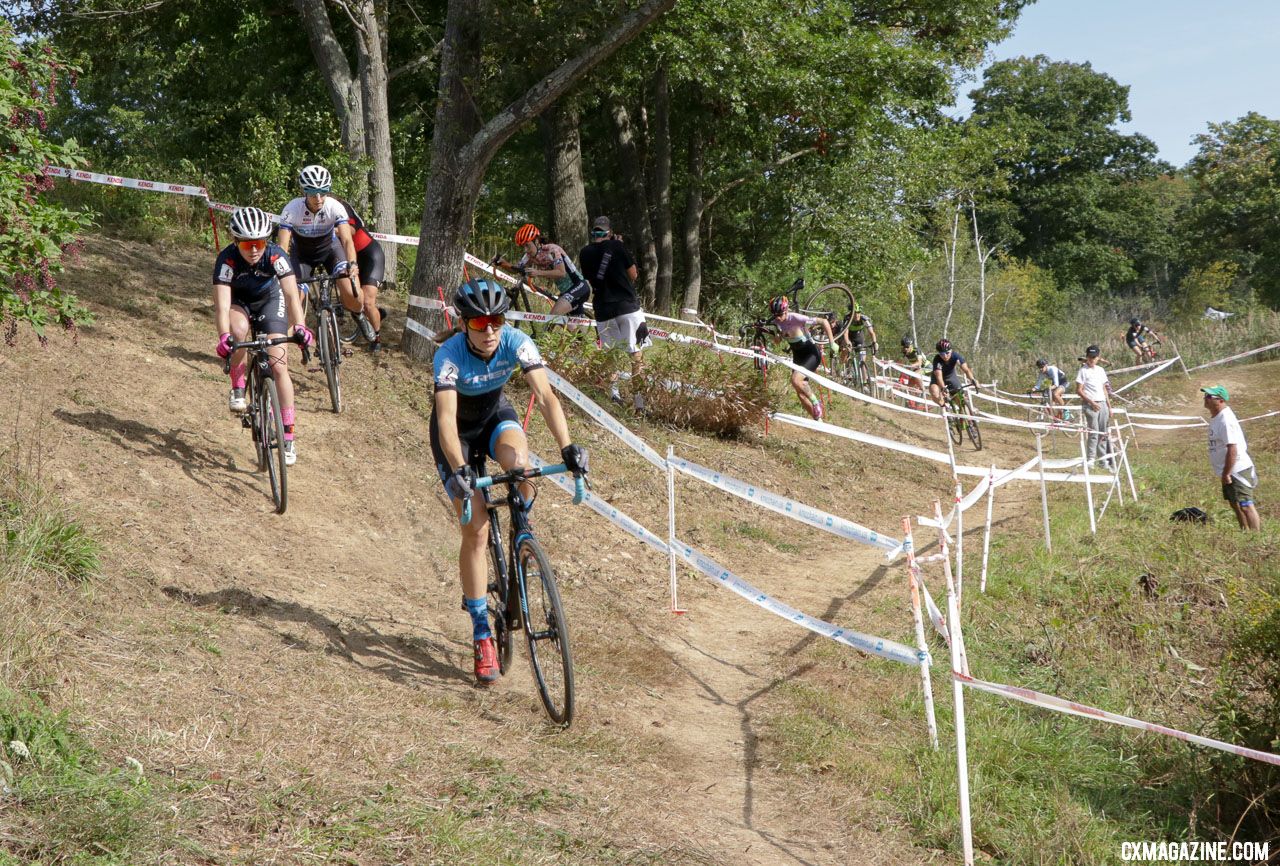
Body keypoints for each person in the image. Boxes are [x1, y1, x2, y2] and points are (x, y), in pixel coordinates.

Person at [430, 278, 589, 683]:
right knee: (477, 530)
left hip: (495, 416)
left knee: (522, 467)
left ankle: (523, 532)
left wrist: (567, 447)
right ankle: (482, 632)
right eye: (480, 322)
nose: (489, 331)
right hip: (457, 437)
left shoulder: (516, 341)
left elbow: (548, 397)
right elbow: (446, 420)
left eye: (496, 320)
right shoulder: (448, 356)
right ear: (465, 322)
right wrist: (460, 467)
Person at [212, 206, 312, 465]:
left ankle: (288, 435)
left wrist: (300, 326)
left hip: (270, 300)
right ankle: (238, 386)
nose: (254, 249)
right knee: (238, 332)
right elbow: (222, 306)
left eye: (258, 243)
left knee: (279, 364)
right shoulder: (227, 260)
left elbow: (291, 296)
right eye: (247, 244)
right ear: (236, 242)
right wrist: (224, 336)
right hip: (239, 303)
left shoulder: (276, 256)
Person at [276, 165, 377, 345]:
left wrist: (352, 263)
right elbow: (283, 246)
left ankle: (358, 315)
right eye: (313, 193)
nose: (319, 198)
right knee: (294, 299)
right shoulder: (292, 209)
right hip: (303, 256)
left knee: (353, 292)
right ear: (304, 192)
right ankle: (300, 337)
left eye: (323, 192)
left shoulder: (335, 207)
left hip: (330, 250)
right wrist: (280, 271)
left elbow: (346, 240)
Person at [579, 215, 649, 410]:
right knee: (636, 356)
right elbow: (633, 275)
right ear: (609, 232)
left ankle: (614, 395)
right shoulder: (617, 247)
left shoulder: (584, 252)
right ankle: (640, 404)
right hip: (627, 307)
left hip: (602, 308)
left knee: (611, 354)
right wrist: (617, 245)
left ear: (593, 232)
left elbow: (590, 277)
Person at [331, 193, 389, 352]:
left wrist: (331, 229)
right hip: (349, 257)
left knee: (368, 302)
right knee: (352, 298)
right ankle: (372, 315)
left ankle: (376, 337)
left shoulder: (343, 208)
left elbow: (351, 230)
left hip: (370, 256)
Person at [499, 223, 591, 323]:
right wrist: (502, 263)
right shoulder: (529, 256)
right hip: (566, 292)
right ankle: (579, 336)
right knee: (573, 330)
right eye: (523, 246)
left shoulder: (552, 249)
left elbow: (561, 272)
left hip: (579, 286)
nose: (526, 250)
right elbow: (515, 269)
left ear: (537, 241)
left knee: (552, 317)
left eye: (527, 245)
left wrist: (538, 272)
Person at [1202, 385, 1261, 530]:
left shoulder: (1225, 420)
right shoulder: (1217, 417)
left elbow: (1232, 448)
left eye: (1209, 397)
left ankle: (1255, 537)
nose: (1206, 399)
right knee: (1235, 504)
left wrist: (1227, 473)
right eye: (1206, 396)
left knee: (1246, 505)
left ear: (1221, 400)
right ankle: (1245, 532)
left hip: (1237, 469)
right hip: (1228, 470)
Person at [769, 295, 835, 420]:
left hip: (811, 353)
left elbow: (824, 321)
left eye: (780, 314)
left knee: (795, 380)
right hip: (797, 356)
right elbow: (778, 341)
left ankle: (816, 403)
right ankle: (818, 421)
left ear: (786, 310)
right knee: (800, 392)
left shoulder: (796, 318)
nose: (778, 317)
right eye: (775, 315)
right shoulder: (776, 321)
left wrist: (832, 343)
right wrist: (776, 335)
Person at [1074, 345, 1113, 470]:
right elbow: (1079, 390)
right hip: (1090, 404)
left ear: (1098, 358)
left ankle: (1103, 459)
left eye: (1094, 357)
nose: (1092, 360)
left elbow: (1103, 389)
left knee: (1103, 432)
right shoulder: (1082, 371)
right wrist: (1091, 402)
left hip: (1102, 404)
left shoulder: (1101, 370)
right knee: (1093, 432)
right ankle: (1090, 459)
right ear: (1087, 357)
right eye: (1090, 357)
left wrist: (1109, 406)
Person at [928, 339, 977, 409]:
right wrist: (943, 388)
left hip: (950, 377)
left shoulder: (955, 356)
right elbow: (939, 376)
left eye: (947, 353)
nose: (945, 356)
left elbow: (966, 370)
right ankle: (945, 407)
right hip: (937, 379)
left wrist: (973, 380)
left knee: (961, 398)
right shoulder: (937, 359)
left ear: (951, 350)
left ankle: (965, 414)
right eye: (942, 354)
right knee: (934, 391)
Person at [899, 335, 930, 409]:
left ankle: (924, 392)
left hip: (927, 367)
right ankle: (910, 405)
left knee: (916, 374)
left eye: (907, 346)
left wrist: (910, 365)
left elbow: (919, 363)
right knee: (908, 387)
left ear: (911, 345)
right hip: (917, 370)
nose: (905, 348)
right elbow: (900, 361)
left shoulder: (916, 350)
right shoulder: (904, 351)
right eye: (903, 346)